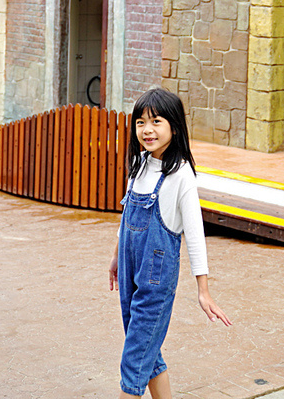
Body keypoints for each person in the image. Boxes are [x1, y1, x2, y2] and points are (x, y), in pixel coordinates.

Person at [108, 87, 232, 398]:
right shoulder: (139, 164)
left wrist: (203, 289)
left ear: (174, 127)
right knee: (147, 353)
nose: (147, 130)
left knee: (134, 360)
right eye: (140, 122)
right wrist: (115, 257)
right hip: (128, 269)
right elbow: (126, 219)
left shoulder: (181, 175)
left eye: (156, 122)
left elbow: (194, 232)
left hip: (156, 279)